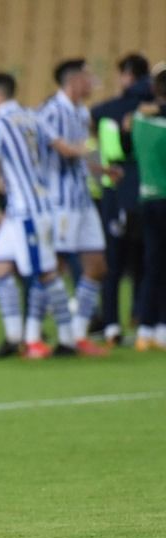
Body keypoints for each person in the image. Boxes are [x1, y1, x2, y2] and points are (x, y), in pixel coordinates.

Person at [0, 72, 77, 360]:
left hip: (28, 212)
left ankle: (65, 337)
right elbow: (63, 149)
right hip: (29, 207)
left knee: (44, 272)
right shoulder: (34, 117)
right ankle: (14, 336)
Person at [38, 59, 110, 356]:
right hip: (59, 201)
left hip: (82, 196)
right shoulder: (51, 110)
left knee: (97, 266)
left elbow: (81, 153)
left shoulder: (82, 111)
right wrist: (87, 152)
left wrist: (100, 170)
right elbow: (64, 149)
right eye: (87, 76)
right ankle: (36, 331)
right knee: (54, 265)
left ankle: (78, 333)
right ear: (73, 80)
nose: (91, 81)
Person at [93, 54, 154, 345]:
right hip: (150, 193)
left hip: (115, 192)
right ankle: (143, 318)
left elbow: (95, 115)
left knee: (113, 263)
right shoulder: (153, 109)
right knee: (147, 260)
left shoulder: (110, 110)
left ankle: (111, 325)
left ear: (127, 74)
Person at [129, 68, 166, 351]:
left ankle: (145, 329)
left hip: (147, 199)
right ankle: (163, 329)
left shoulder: (140, 120)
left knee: (153, 265)